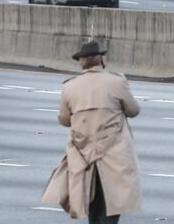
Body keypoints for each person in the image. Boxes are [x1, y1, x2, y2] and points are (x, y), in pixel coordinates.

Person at [41, 40, 141, 224]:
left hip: (84, 153)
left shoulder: (70, 86)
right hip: (113, 152)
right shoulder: (117, 81)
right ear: (101, 60)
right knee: (111, 202)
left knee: (92, 202)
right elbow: (133, 110)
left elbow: (64, 120)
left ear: (81, 62)